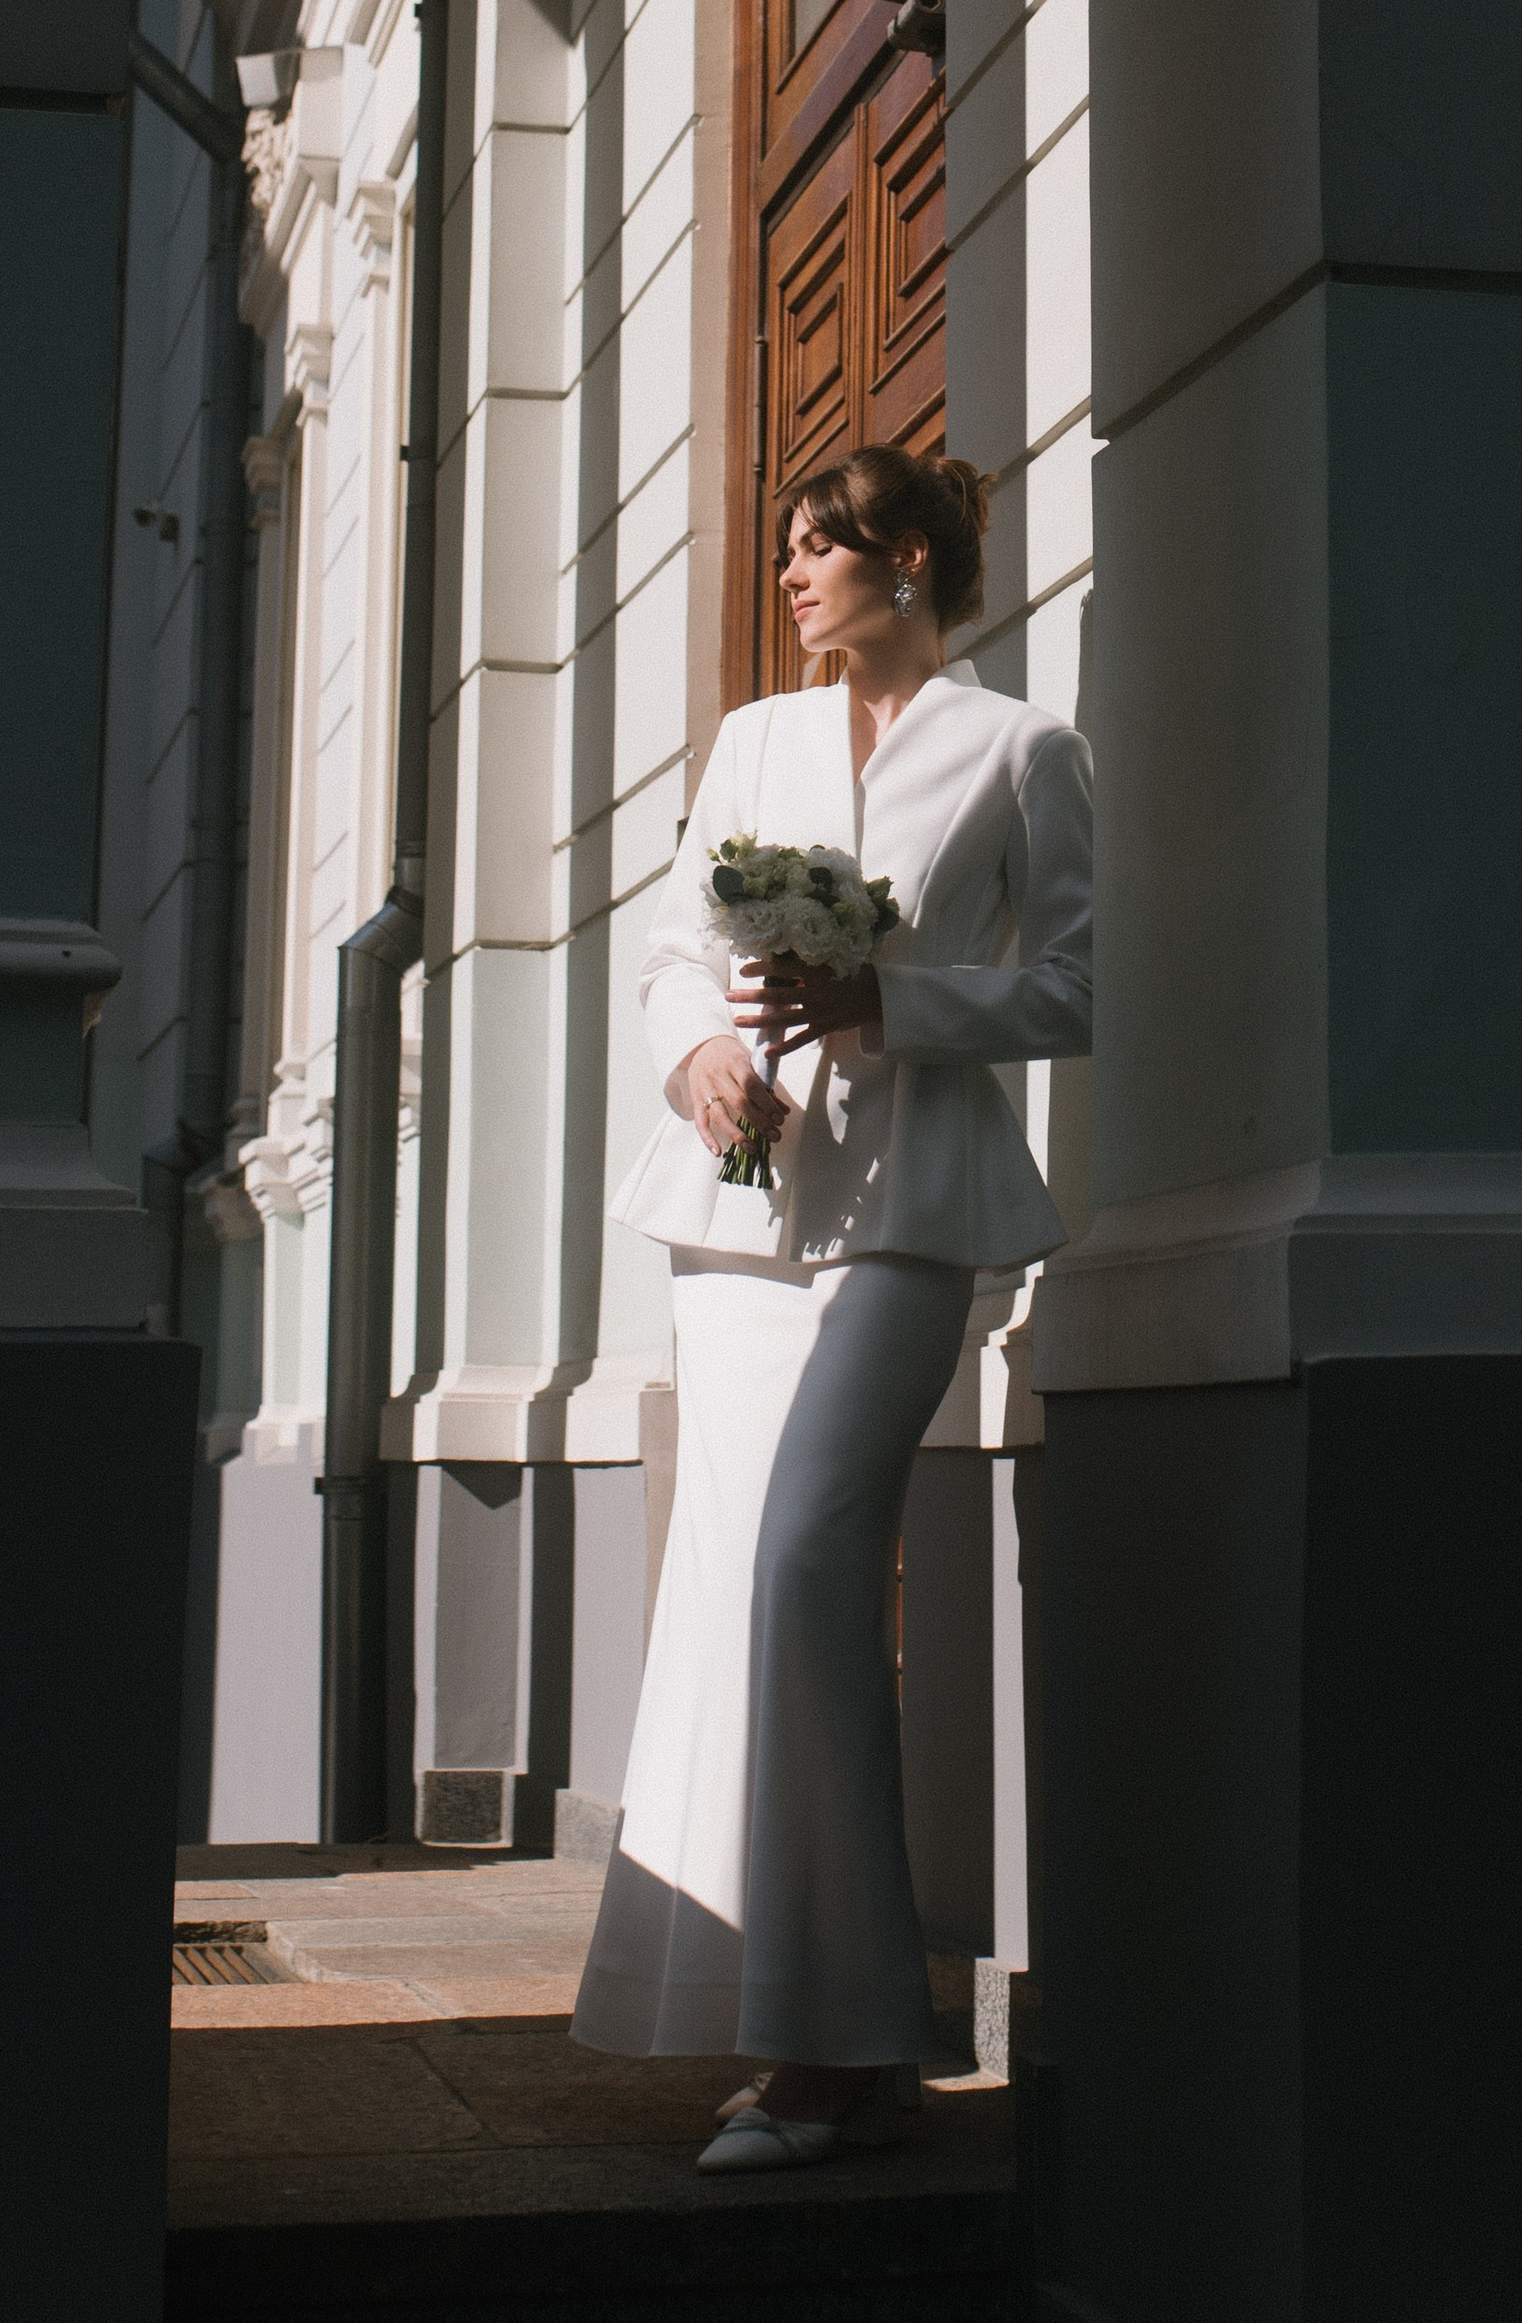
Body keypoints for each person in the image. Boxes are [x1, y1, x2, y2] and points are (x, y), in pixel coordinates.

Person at [569, 441, 1092, 2171]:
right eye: (790, 547)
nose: (793, 575)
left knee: (809, 1561)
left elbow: (1071, 990)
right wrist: (703, 1055)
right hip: (734, 1229)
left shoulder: (1025, 749)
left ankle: (847, 2052)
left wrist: (892, 999)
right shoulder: (752, 743)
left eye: (825, 547)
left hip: (911, 1221)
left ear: (915, 562)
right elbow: (664, 954)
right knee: (740, 1596)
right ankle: (812, 2032)